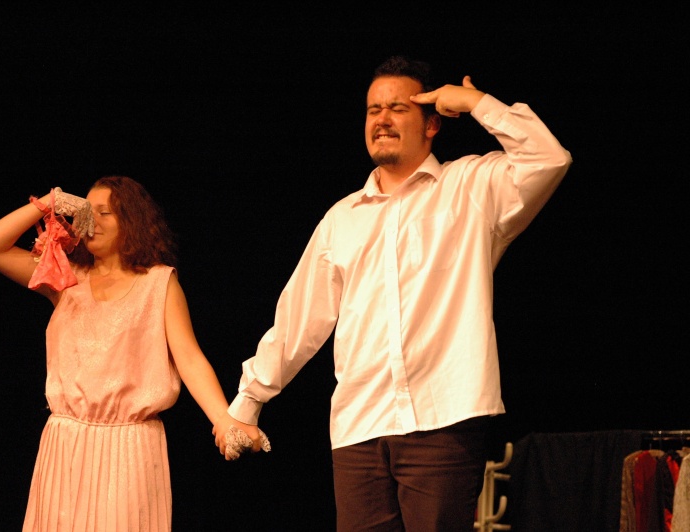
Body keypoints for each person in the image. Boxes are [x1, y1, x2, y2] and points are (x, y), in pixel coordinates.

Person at [225, 56, 572, 531]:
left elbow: (548, 158)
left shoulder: (470, 188)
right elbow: (299, 319)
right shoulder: (342, 218)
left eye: (397, 108)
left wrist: (475, 102)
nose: (382, 119)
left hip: (442, 419)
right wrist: (249, 400)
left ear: (432, 123)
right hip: (358, 426)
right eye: (373, 110)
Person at [0, 175, 268, 531]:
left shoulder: (158, 283)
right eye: (86, 211)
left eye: (105, 212)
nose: (91, 220)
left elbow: (189, 358)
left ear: (131, 221)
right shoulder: (66, 279)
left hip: (128, 447)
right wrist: (49, 203)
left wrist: (223, 418)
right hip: (65, 443)